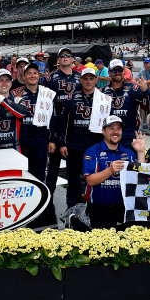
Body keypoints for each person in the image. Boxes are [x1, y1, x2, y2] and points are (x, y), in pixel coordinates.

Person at [12, 63, 56, 226]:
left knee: (39, 173)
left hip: (41, 139)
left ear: (39, 75)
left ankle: (37, 205)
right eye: (28, 73)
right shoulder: (16, 93)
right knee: (23, 173)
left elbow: (53, 117)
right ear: (23, 77)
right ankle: (23, 206)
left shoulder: (47, 93)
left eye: (35, 73)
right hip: (22, 139)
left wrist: (53, 139)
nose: (32, 76)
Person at [83, 116, 146, 229]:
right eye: (111, 128)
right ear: (103, 131)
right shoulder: (92, 151)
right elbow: (90, 181)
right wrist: (110, 170)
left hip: (123, 207)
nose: (115, 132)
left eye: (119, 128)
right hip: (99, 208)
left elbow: (141, 177)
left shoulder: (129, 153)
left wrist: (140, 152)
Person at [55, 68, 103, 209]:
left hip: (94, 145)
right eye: (85, 78)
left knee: (94, 176)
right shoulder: (71, 98)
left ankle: (92, 205)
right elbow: (63, 122)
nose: (88, 81)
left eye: (91, 78)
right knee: (73, 177)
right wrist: (62, 143)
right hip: (74, 144)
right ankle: (71, 206)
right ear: (80, 80)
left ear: (96, 80)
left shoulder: (103, 99)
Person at [44, 47, 82, 205]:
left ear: (72, 59)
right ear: (58, 60)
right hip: (56, 124)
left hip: (74, 128)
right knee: (53, 166)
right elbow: (46, 105)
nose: (65, 57)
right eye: (62, 56)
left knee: (74, 167)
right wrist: (51, 135)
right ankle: (48, 199)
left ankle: (74, 201)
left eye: (68, 55)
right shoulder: (51, 78)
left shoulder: (81, 77)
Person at [101, 59, 150, 151]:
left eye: (120, 70)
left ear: (124, 71)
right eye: (114, 70)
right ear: (109, 72)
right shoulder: (102, 91)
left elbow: (148, 107)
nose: (117, 73)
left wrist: (146, 92)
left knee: (129, 164)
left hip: (129, 136)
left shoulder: (133, 88)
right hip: (108, 137)